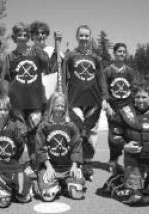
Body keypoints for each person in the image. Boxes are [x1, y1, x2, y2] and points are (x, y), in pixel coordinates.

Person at [1, 22, 50, 174]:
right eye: (19, 35)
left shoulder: (35, 51)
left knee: (34, 136)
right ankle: (20, 167)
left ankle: (36, 165)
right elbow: (5, 78)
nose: (22, 38)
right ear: (15, 38)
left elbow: (46, 63)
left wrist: (39, 46)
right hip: (17, 102)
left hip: (35, 101)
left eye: (25, 35)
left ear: (28, 37)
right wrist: (4, 95)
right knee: (19, 134)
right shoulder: (10, 56)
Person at [62, 25, 107, 179]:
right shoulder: (70, 56)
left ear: (90, 37)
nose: (84, 38)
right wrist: (63, 95)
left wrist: (105, 98)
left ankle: (87, 162)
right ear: (76, 37)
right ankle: (76, 160)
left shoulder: (96, 58)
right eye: (81, 35)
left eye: (87, 36)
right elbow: (64, 78)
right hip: (74, 100)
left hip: (94, 101)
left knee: (92, 132)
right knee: (76, 130)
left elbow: (101, 79)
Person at [36, 92, 85, 202]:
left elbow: (77, 147)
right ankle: (44, 182)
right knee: (48, 196)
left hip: (68, 167)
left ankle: (64, 184)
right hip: (50, 167)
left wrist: (74, 165)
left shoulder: (71, 126)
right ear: (51, 106)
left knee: (77, 195)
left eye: (62, 106)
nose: (60, 108)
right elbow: (40, 150)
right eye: (57, 105)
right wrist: (48, 167)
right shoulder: (44, 126)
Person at [102, 43, 137, 171]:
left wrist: (135, 108)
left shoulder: (129, 71)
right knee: (114, 135)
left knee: (129, 135)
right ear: (114, 53)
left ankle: (129, 161)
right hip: (113, 109)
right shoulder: (107, 71)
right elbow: (104, 89)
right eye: (119, 51)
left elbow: (134, 89)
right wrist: (107, 107)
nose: (122, 54)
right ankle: (113, 161)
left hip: (128, 108)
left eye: (124, 51)